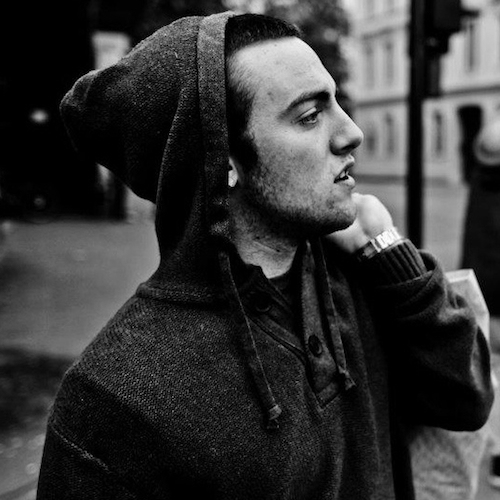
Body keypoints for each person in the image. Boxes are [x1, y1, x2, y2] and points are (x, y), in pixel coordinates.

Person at [36, 12, 493, 499]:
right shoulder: (113, 398)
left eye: (337, 102)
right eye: (310, 115)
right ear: (224, 161)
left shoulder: (364, 274)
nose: (352, 133)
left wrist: (388, 250)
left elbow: (466, 400)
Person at [461, 111, 500, 490]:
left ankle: (494, 447)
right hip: (492, 278)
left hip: (483, 279)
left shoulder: (482, 171)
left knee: (489, 366)